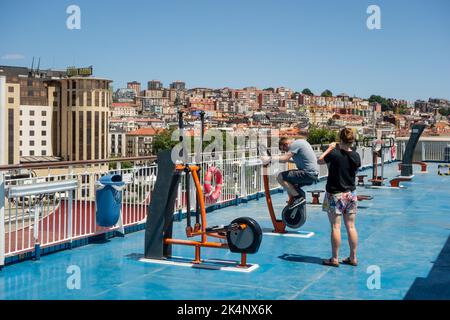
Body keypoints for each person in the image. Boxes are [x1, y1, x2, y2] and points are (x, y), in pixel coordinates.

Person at [318, 128, 361, 267]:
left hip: (335, 194)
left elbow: (320, 161)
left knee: (336, 227)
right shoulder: (356, 156)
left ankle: (335, 258)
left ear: (340, 139)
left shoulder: (334, 154)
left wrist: (330, 148)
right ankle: (353, 257)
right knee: (351, 226)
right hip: (351, 194)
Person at [262, 137, 319, 208]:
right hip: (313, 175)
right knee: (291, 186)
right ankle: (294, 199)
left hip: (307, 173)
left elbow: (285, 158)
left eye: (284, 149)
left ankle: (298, 198)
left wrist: (269, 158)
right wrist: (275, 159)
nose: (286, 151)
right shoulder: (300, 142)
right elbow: (293, 160)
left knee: (280, 177)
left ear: (286, 144)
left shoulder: (295, 144)